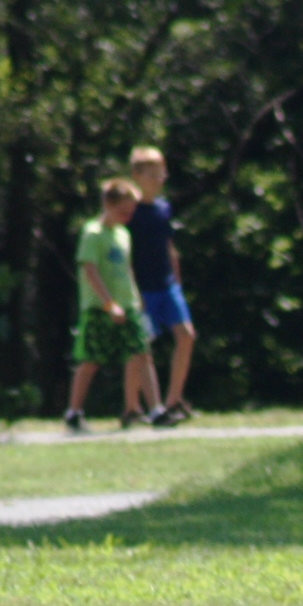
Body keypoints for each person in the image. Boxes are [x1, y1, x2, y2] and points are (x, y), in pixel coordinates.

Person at [63, 179, 162, 432]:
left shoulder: (123, 234)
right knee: (91, 359)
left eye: (131, 212)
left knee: (142, 353)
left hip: (127, 305)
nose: (128, 216)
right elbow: (90, 269)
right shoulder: (93, 233)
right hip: (100, 308)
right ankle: (74, 412)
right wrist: (109, 303)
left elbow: (126, 269)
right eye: (123, 211)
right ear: (108, 204)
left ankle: (156, 410)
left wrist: (135, 298)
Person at [128, 147, 196, 425]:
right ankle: (133, 407)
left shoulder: (163, 207)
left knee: (187, 336)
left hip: (167, 285)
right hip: (142, 289)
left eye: (162, 173)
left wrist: (177, 280)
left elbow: (169, 246)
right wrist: (132, 291)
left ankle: (172, 401)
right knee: (141, 347)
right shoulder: (130, 212)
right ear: (137, 176)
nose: (160, 179)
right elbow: (126, 254)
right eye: (153, 174)